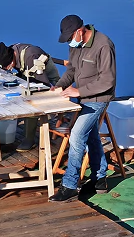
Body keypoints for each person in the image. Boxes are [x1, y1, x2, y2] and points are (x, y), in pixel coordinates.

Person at [48, 15, 116, 202]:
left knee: (77, 135)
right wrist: (60, 86)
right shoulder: (75, 45)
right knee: (91, 135)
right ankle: (99, 178)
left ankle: (70, 185)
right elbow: (72, 71)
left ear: (80, 31)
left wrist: (79, 91)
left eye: (71, 38)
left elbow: (107, 81)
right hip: (82, 96)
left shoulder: (103, 45)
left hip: (98, 98)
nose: (70, 42)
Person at [0, 41, 64, 150]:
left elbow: (41, 87)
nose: (8, 69)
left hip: (45, 79)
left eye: (7, 67)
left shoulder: (32, 57)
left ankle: (29, 140)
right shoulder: (12, 52)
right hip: (27, 77)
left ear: (12, 59)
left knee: (31, 102)